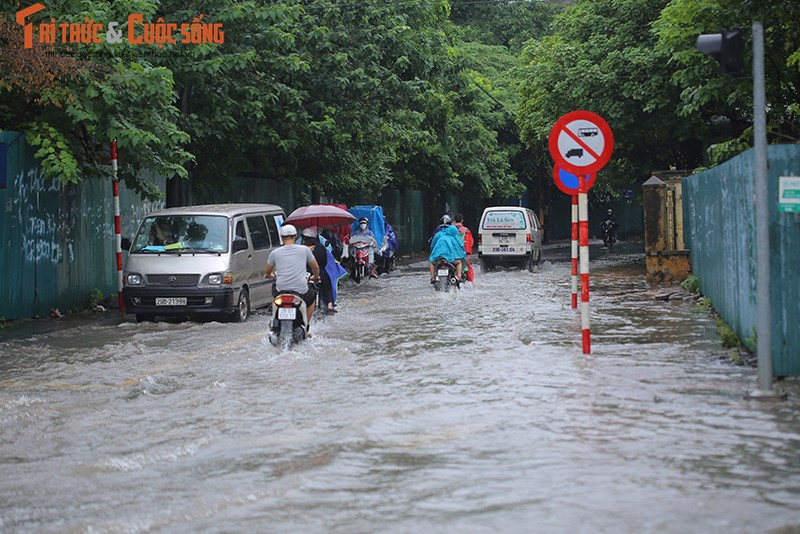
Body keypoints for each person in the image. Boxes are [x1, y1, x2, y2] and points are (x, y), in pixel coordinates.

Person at [265, 224, 320, 334]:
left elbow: (267, 272)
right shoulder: (305, 250)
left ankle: (274, 320)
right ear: (295, 236)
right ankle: (306, 325)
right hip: (301, 290)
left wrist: (271, 276)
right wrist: (316, 277)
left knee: (274, 293)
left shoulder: (275, 253)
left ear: (281, 237)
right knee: (311, 299)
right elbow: (315, 267)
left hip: (281, 290)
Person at [301, 226, 336, 314]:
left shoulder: (301, 249)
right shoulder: (321, 247)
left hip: (305, 275)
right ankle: (330, 304)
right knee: (327, 285)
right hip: (320, 273)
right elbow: (324, 263)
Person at [428, 215, 466, 283]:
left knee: (431, 263)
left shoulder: (437, 235)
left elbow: (432, 246)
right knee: (458, 262)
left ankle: (432, 277)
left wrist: (432, 255)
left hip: (438, 257)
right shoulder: (453, 235)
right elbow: (459, 244)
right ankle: (459, 276)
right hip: (450, 258)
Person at [454, 213, 475, 282]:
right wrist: (467, 252)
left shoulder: (450, 229)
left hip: (451, 252)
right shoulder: (466, 230)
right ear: (462, 221)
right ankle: (471, 282)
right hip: (463, 252)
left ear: (454, 220)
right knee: (467, 267)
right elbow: (470, 242)